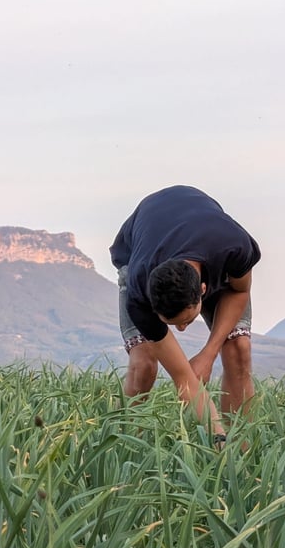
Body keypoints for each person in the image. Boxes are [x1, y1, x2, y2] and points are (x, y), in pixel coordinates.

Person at [110, 185, 261, 441]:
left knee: (239, 349)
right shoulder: (140, 293)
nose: (180, 330)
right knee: (144, 361)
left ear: (204, 290)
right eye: (172, 324)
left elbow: (238, 292)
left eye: (187, 321)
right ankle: (124, 447)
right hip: (136, 251)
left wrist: (209, 353)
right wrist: (216, 437)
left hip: (210, 242)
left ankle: (243, 454)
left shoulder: (235, 247)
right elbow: (185, 379)